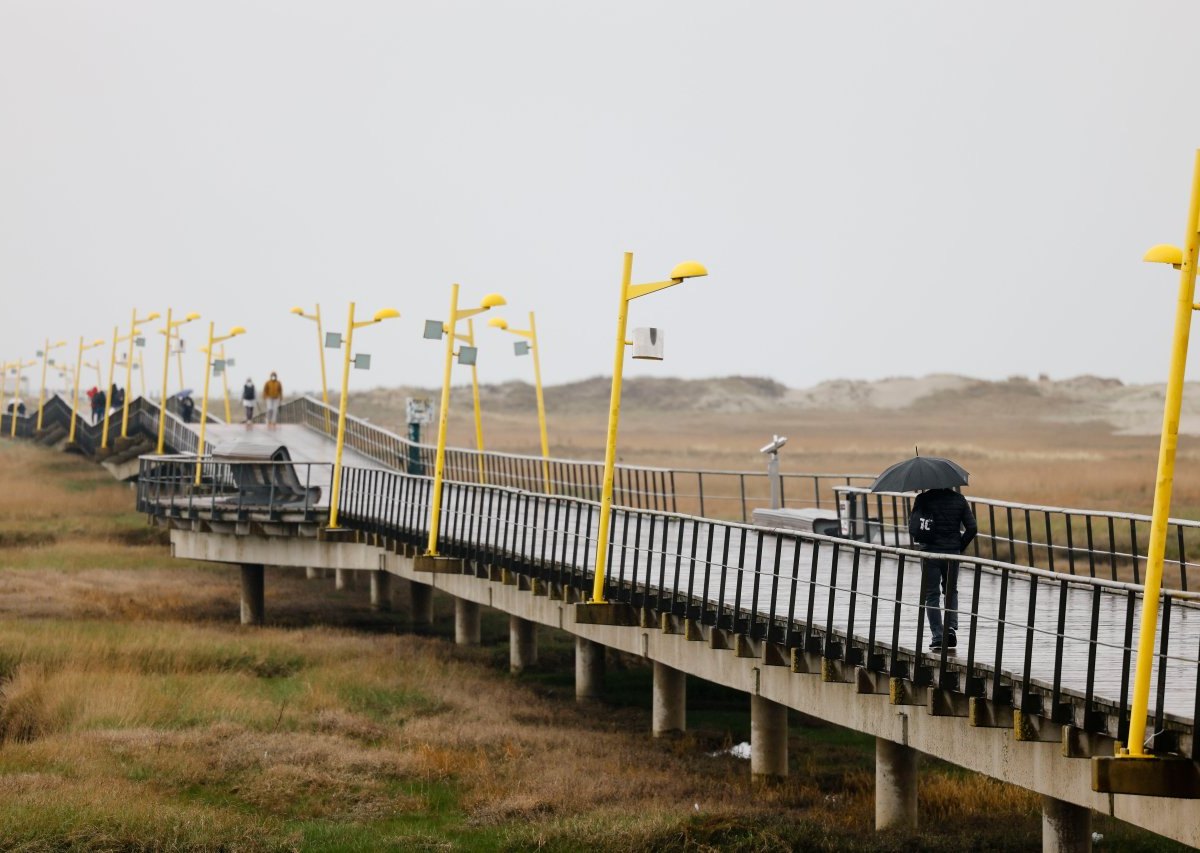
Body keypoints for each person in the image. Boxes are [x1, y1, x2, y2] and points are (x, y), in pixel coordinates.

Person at [909, 487, 977, 652]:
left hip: (929, 554)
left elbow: (913, 526)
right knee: (951, 591)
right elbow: (972, 528)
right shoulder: (959, 499)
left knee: (931, 595)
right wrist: (959, 547)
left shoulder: (923, 499)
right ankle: (951, 628)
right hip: (952, 554)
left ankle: (938, 636)